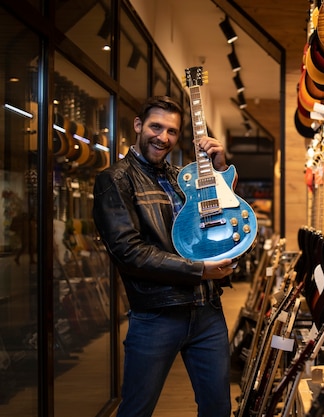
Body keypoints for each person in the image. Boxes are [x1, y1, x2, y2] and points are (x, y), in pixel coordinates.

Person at [92, 96, 236, 417]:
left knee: (218, 409)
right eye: (156, 127)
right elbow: (129, 252)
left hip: (206, 312)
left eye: (172, 131)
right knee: (136, 411)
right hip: (157, 315)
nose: (163, 137)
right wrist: (199, 270)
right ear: (139, 126)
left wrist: (221, 168)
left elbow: (220, 219)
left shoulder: (179, 176)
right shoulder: (115, 180)